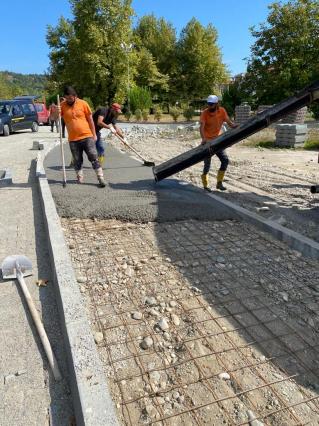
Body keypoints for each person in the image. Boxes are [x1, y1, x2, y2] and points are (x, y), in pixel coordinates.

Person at [60, 86, 105, 187]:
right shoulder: (62, 106)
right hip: (73, 139)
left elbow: (90, 120)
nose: (68, 100)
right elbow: (53, 117)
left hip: (87, 136)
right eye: (66, 98)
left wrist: (94, 134)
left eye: (70, 98)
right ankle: (79, 176)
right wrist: (55, 111)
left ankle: (100, 177)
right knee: (77, 160)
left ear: (75, 96)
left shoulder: (83, 103)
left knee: (93, 156)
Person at [200, 94, 238, 191]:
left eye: (212, 104)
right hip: (208, 142)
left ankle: (219, 183)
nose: (210, 106)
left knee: (225, 160)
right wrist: (204, 138)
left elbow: (228, 121)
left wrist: (234, 126)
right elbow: (201, 127)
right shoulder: (205, 113)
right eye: (208, 104)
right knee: (207, 164)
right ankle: (205, 185)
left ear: (217, 104)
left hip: (218, 140)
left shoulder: (222, 111)